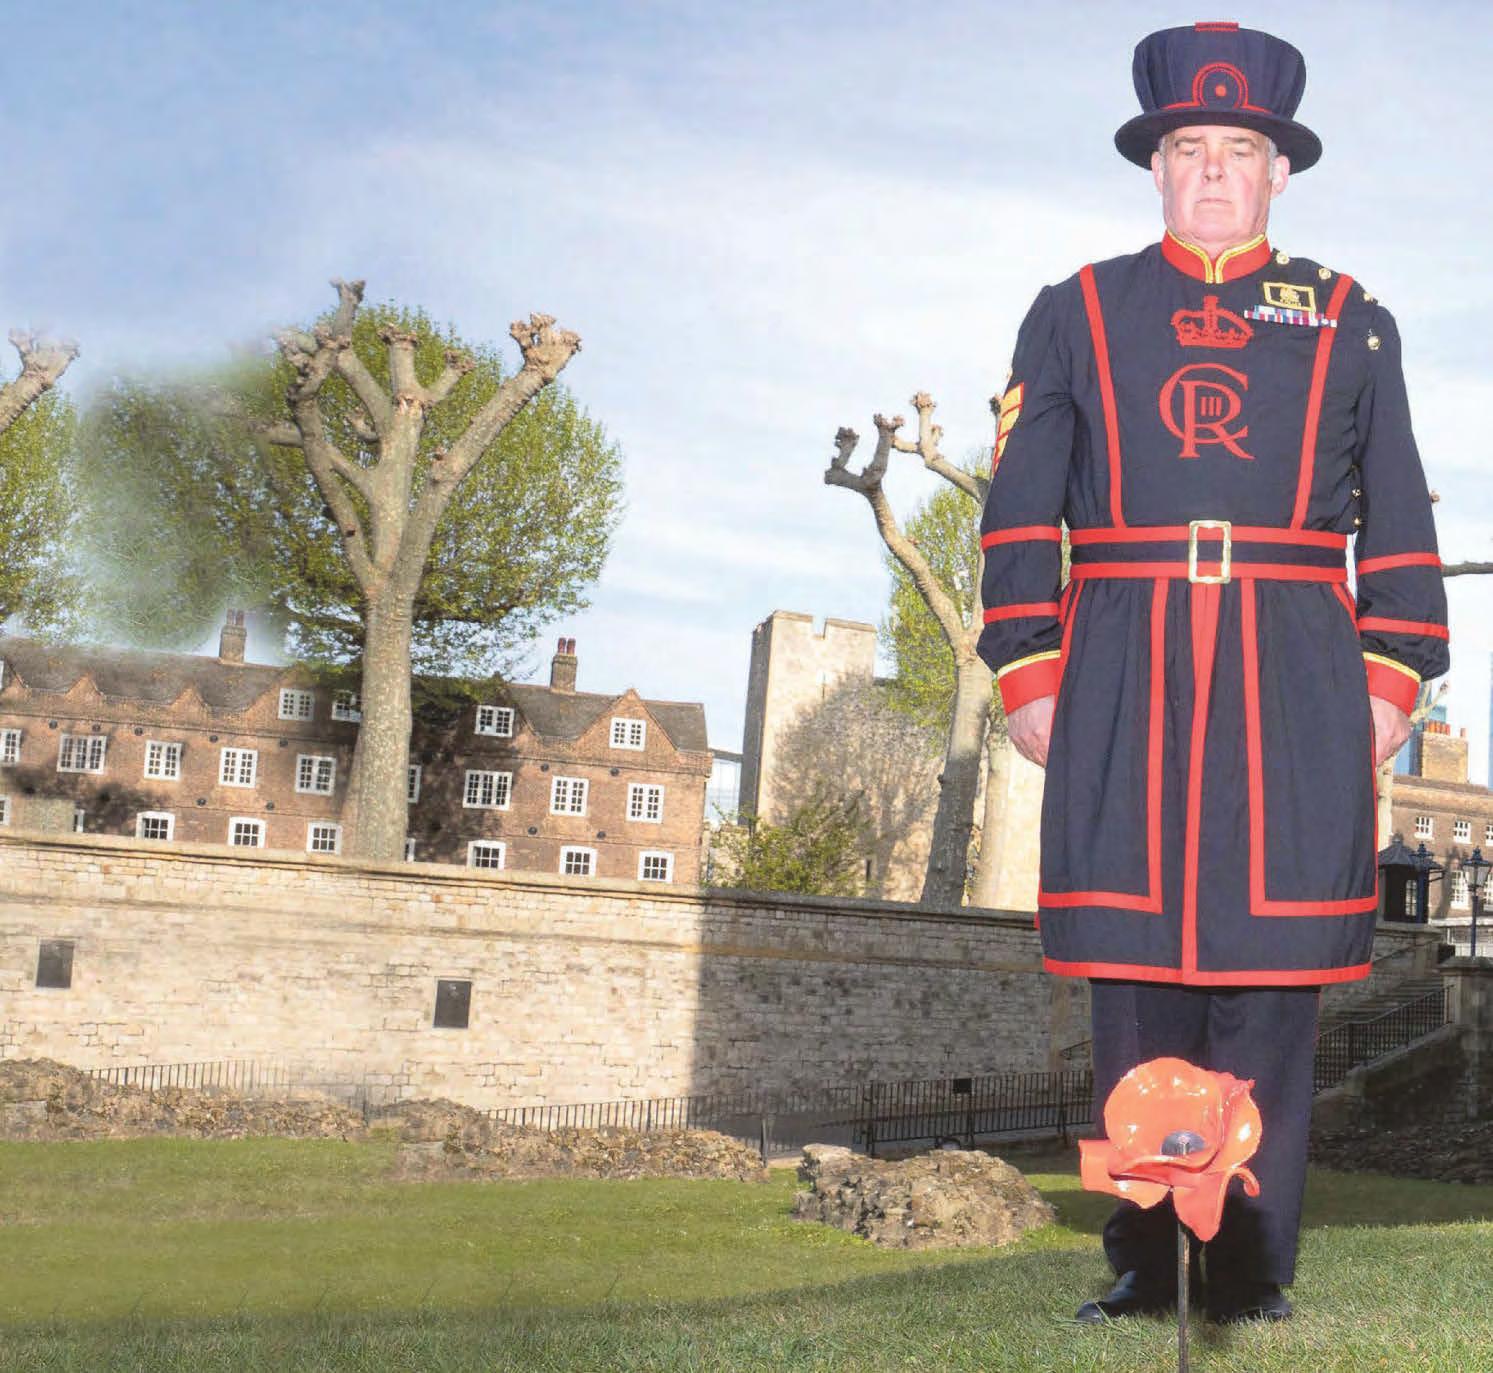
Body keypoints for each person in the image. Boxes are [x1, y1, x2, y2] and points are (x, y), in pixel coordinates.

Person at [976, 21, 1449, 1324]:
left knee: (1267, 975)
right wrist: (1024, 656)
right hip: (1121, 649)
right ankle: (1143, 1263)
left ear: (1277, 172)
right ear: (1156, 165)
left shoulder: (1351, 320)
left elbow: (1399, 517)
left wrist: (1393, 670)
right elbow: (1019, 506)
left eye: (1236, 150)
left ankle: (1243, 1266)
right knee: (1135, 978)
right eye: (1188, 148)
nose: (1210, 172)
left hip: (1293, 658)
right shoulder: (1071, 309)